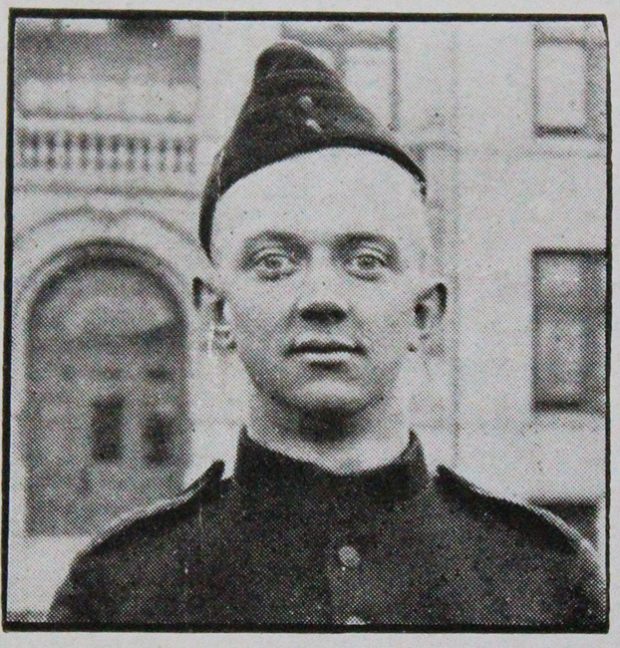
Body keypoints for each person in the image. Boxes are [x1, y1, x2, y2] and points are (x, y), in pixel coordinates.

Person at [48, 41, 605, 628]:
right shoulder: (119, 592)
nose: (321, 298)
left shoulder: (546, 579)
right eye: (274, 261)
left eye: (365, 260)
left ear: (424, 313)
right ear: (215, 312)